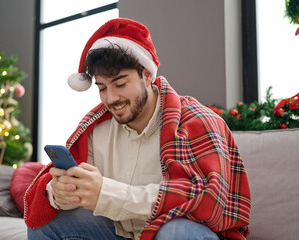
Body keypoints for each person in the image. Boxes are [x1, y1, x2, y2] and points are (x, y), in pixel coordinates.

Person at [24, 18, 251, 240]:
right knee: (45, 225)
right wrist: (62, 191)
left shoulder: (197, 121)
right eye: (102, 88)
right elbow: (81, 192)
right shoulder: (96, 128)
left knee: (177, 232)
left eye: (120, 84)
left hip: (179, 231)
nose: (111, 98)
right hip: (120, 232)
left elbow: (205, 198)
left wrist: (106, 193)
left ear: (147, 75)